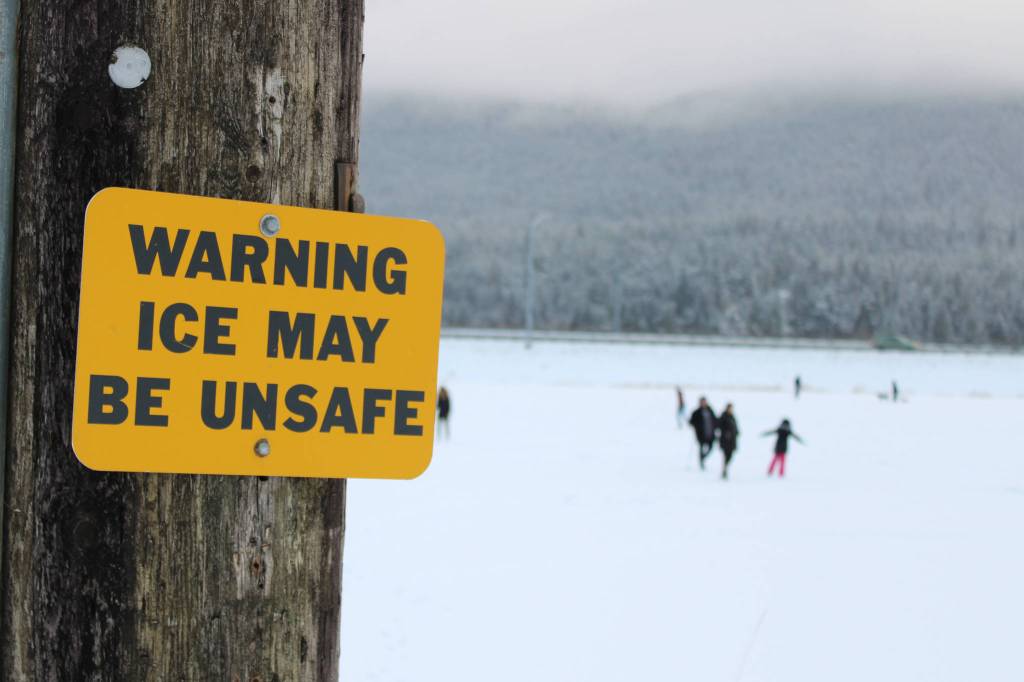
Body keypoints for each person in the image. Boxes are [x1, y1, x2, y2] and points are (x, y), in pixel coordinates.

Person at [689, 397, 716, 470]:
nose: (703, 403)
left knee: (711, 447)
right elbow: (691, 421)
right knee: (701, 448)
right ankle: (701, 461)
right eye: (702, 402)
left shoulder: (710, 410)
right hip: (701, 434)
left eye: (704, 402)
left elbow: (715, 420)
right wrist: (696, 425)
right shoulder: (697, 412)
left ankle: (703, 457)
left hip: (710, 433)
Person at [717, 403, 739, 480]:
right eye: (730, 408)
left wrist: (737, 432)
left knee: (730, 456)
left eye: (732, 408)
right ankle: (724, 470)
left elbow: (735, 427)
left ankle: (725, 468)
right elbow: (719, 425)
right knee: (726, 456)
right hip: (725, 440)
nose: (731, 410)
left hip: (732, 440)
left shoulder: (732, 416)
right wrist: (725, 433)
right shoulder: (723, 416)